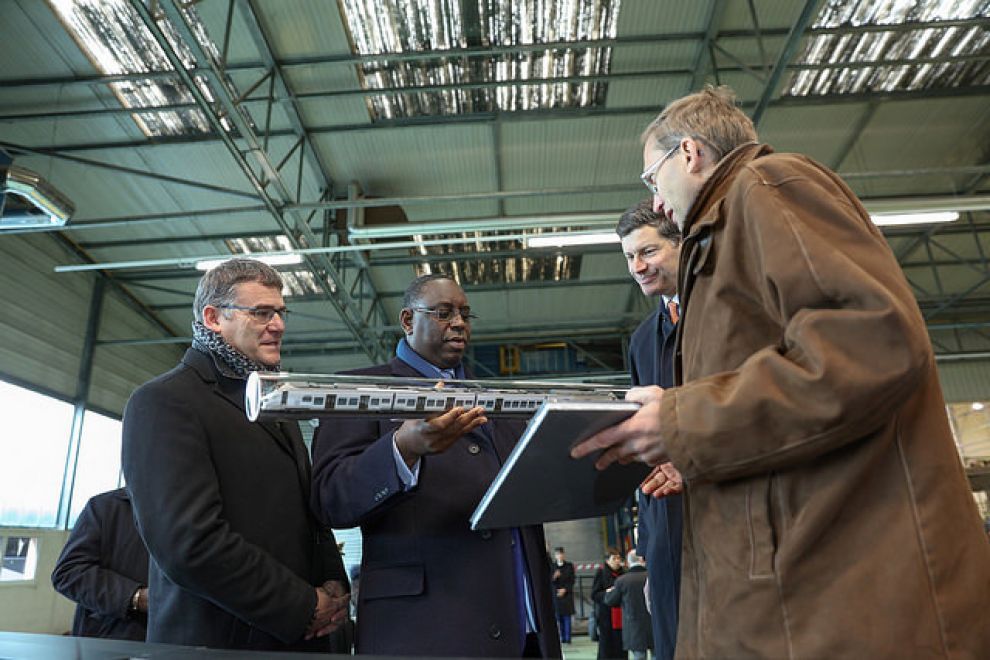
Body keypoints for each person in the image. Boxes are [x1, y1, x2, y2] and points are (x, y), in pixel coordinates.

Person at [572, 86, 990, 657]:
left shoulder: (768, 187)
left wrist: (682, 419)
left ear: (689, 153)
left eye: (652, 179)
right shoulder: (720, 238)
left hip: (840, 584)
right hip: (796, 578)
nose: (658, 201)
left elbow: (872, 345)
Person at [310, 273, 561, 657]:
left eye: (464, 314)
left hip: (525, 632)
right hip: (426, 632)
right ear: (408, 321)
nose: (459, 323)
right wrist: (402, 450)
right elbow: (331, 499)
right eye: (443, 313)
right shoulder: (359, 392)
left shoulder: (503, 403)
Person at [121, 258, 351, 652]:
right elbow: (189, 543)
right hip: (218, 641)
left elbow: (306, 512)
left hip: (301, 635)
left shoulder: (272, 404)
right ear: (213, 318)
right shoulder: (164, 402)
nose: (278, 325)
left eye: (280, 313)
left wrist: (333, 584)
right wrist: (302, 604)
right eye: (262, 313)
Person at [617, 201, 683, 660]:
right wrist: (645, 553)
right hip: (664, 529)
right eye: (628, 258)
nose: (638, 267)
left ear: (681, 244)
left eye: (648, 252)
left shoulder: (726, 313)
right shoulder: (642, 339)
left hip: (725, 510)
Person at [51, 488, 149, 640]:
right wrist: (136, 597)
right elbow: (69, 572)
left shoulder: (193, 515)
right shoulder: (105, 507)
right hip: (111, 641)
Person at [603, 552, 653, 660]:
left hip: (634, 626)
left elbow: (610, 601)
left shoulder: (622, 580)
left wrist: (609, 592)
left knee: (639, 656)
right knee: (657, 655)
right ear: (642, 561)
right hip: (654, 624)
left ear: (628, 562)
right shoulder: (652, 577)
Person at [590, 548, 626, 660]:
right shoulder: (601, 573)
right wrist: (607, 592)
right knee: (607, 647)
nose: (617, 561)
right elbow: (594, 594)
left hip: (622, 615)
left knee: (622, 645)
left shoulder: (624, 573)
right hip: (606, 616)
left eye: (618, 558)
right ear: (607, 560)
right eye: (614, 558)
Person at [550, 546, 576, 644]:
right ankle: (562, 637)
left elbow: (572, 580)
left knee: (567, 617)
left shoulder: (569, 566)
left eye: (561, 554)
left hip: (567, 595)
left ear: (563, 555)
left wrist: (565, 589)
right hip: (557, 595)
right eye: (557, 554)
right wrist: (554, 577)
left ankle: (568, 638)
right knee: (559, 618)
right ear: (555, 556)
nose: (559, 556)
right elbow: (549, 582)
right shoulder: (552, 567)